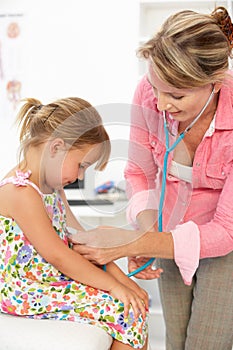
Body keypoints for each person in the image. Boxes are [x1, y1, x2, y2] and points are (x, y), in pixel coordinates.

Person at [71, 6, 233, 350]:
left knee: (207, 344)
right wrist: (146, 231)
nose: (159, 103)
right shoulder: (148, 93)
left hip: (225, 244)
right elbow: (139, 172)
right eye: (155, 87)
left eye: (176, 95)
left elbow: (226, 231)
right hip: (169, 231)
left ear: (215, 83)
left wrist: (135, 243)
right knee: (176, 341)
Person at [0, 97, 149, 350]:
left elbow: (79, 239)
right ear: (56, 148)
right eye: (81, 166)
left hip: (49, 279)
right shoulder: (21, 193)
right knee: (126, 312)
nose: (80, 176)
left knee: (134, 305)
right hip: (23, 290)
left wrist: (124, 281)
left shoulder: (52, 188)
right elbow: (59, 256)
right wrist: (114, 287)